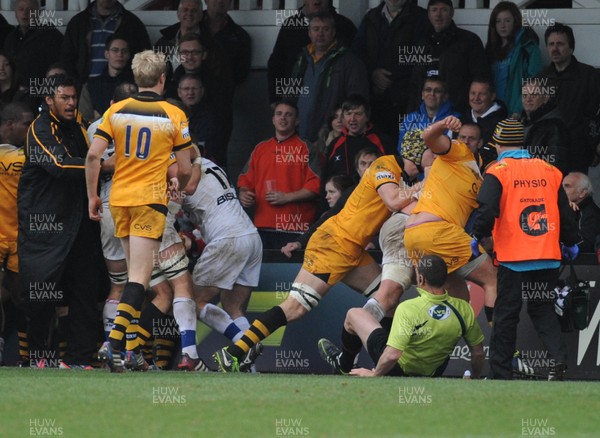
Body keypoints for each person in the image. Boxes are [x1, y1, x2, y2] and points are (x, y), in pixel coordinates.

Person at [214, 149, 424, 372]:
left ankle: (348, 365)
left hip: (352, 248)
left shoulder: (404, 179)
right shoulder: (385, 165)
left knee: (387, 301)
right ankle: (232, 354)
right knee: (295, 308)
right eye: (425, 157)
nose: (426, 164)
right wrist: (424, 184)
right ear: (415, 155)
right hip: (332, 245)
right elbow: (393, 201)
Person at [85, 50, 193, 373]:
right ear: (163, 79)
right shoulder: (173, 114)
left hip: (118, 200)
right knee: (140, 279)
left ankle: (131, 351)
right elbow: (185, 168)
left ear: (135, 79)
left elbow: (93, 158)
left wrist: (93, 196)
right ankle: (113, 344)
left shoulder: (115, 111)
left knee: (136, 279)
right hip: (149, 200)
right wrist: (178, 184)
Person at [471, 118, 579, 381]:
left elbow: (486, 209)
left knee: (506, 313)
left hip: (514, 258)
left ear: (497, 144)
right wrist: (571, 241)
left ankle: (500, 372)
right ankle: (558, 361)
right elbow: (564, 213)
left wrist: (476, 235)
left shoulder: (499, 171)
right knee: (542, 309)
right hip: (546, 255)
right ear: (523, 143)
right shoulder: (550, 170)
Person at [18, 74, 105, 369]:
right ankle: (40, 357)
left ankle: (80, 360)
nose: (70, 103)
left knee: (85, 289)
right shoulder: (39, 129)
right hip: (45, 226)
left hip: (79, 222)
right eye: (64, 98)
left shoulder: (78, 124)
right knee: (41, 294)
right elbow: (60, 165)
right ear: (49, 100)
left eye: (73, 97)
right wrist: (103, 166)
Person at [320, 255, 485, 378]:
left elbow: (393, 355)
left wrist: (374, 374)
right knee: (391, 312)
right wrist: (475, 378)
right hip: (432, 373)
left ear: (420, 279)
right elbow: (477, 353)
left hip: (396, 368)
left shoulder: (409, 308)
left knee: (353, 314)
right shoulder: (464, 309)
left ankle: (344, 366)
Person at [403, 116, 497, 322]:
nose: (465, 141)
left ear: (481, 144)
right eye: (461, 137)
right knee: (491, 280)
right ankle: (502, 345)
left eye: (471, 139)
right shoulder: (458, 152)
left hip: (415, 235)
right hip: (439, 232)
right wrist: (444, 124)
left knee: (459, 301)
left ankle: (439, 350)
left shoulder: (481, 181)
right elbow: (429, 136)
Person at [181, 157, 263, 364]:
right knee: (233, 306)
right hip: (251, 237)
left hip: (228, 238)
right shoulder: (206, 162)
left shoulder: (179, 172)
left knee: (193, 301)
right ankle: (250, 368)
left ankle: (243, 344)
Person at [238, 101, 321, 249]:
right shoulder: (260, 148)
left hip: (294, 228)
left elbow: (315, 187)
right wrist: (244, 194)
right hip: (262, 225)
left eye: (288, 115)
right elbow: (246, 182)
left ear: (297, 121)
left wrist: (287, 197)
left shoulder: (306, 148)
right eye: (279, 114)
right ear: (273, 119)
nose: (283, 118)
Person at [281, 146, 382, 258]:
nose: (368, 168)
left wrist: (375, 242)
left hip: (378, 253)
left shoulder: (390, 191)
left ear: (381, 168)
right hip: (349, 252)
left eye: (372, 164)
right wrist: (299, 242)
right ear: (358, 170)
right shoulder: (351, 193)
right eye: (363, 164)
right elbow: (328, 218)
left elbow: (397, 222)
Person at [351, 0, 429, 138]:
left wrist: (393, 78)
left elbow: (422, 57)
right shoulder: (371, 17)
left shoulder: (421, 17)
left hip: (407, 99)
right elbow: (357, 52)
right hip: (375, 99)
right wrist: (373, 73)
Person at [290, 13, 368, 143]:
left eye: (325, 29)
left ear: (333, 32)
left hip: (332, 136)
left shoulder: (350, 62)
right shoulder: (302, 59)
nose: (320, 34)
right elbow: (290, 96)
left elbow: (357, 102)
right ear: (309, 33)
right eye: (316, 29)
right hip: (299, 134)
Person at [267, 0, 356, 104]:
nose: (317, 1)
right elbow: (276, 64)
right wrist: (276, 100)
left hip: (335, 106)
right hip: (295, 104)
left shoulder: (345, 26)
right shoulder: (290, 26)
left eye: (326, 29)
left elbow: (356, 69)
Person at [409, 0, 489, 115]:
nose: (438, 15)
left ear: (452, 13)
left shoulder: (469, 41)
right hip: (425, 116)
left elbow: (481, 79)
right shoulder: (421, 43)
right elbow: (415, 84)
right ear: (428, 14)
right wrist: (412, 114)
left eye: (444, 10)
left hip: (457, 114)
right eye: (434, 10)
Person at [166, 32, 233, 168]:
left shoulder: (217, 83)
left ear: (204, 55)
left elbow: (223, 124)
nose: (190, 57)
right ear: (179, 55)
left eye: (195, 52)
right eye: (185, 52)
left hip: (210, 155)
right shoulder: (171, 82)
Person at [0, 101, 34, 366]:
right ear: (9, 125)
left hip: (20, 238)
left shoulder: (30, 158)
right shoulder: (27, 159)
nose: (30, 128)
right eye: (26, 123)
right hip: (8, 237)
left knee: (25, 298)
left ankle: (26, 356)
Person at [541, 23, 600, 173]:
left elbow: (595, 115)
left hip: (579, 152)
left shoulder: (590, 76)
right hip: (547, 153)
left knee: (577, 195)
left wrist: (596, 147)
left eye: (560, 44)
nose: (555, 48)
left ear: (571, 47)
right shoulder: (540, 79)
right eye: (551, 44)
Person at [60, 0, 151, 87]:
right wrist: (75, 85)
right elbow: (66, 59)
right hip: (85, 90)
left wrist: (130, 85)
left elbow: (144, 61)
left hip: (122, 90)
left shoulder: (133, 23)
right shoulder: (78, 23)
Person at [485, 1, 542, 116]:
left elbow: (534, 80)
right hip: (492, 111)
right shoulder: (490, 48)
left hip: (516, 112)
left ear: (515, 22)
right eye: (498, 21)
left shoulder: (528, 46)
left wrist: (518, 109)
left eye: (507, 20)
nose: (502, 25)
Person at [324, 95, 390, 184]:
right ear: (343, 118)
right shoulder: (335, 144)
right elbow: (325, 178)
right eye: (348, 113)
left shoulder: (382, 141)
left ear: (367, 117)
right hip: (342, 197)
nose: (352, 118)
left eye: (358, 114)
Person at [3, 0, 63, 91]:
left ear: (38, 13)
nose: (25, 13)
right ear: (15, 13)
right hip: (11, 93)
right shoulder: (10, 38)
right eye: (21, 9)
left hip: (37, 93)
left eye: (30, 9)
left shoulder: (50, 36)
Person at [78, 35, 135, 122]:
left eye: (124, 51)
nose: (120, 54)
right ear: (106, 54)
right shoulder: (91, 86)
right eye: (115, 50)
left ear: (129, 55)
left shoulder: (136, 84)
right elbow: (84, 119)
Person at [397, 75, 460, 153]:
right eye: (428, 90)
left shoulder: (455, 119)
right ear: (422, 95)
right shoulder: (409, 119)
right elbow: (401, 150)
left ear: (445, 96)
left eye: (437, 91)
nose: (432, 94)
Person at [520, 78, 569, 174]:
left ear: (545, 97)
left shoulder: (555, 127)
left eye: (534, 95)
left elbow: (555, 165)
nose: (528, 99)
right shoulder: (520, 122)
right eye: (525, 95)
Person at [200, 0, 251, 86]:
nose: (220, 1)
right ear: (205, 1)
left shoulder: (240, 36)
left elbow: (241, 75)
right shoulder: (190, 28)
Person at [460, 79, 508, 168]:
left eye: (481, 94)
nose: (476, 98)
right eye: (473, 93)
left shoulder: (503, 124)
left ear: (492, 96)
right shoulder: (459, 120)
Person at [176, 74, 220, 162]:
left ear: (202, 91)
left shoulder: (211, 117)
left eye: (194, 89)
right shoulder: (171, 114)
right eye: (186, 89)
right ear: (179, 92)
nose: (190, 93)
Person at [154, 0, 207, 71]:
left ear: (201, 15)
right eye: (185, 10)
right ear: (178, 14)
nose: (189, 14)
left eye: (194, 10)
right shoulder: (164, 42)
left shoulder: (210, 42)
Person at [562, 172, 600, 253]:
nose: (562, 190)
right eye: (561, 187)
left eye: (567, 186)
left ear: (582, 193)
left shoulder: (592, 214)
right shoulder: (565, 208)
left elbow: (585, 244)